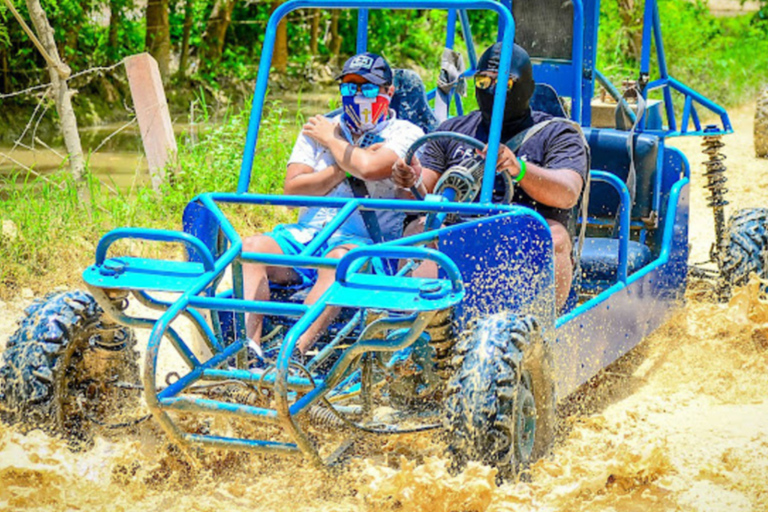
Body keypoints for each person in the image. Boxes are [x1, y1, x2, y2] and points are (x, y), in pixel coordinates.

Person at [242, 52, 424, 361]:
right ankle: (249, 349)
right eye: (349, 87)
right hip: (306, 236)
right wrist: (342, 166)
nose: (357, 95)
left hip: (364, 244)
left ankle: (291, 356)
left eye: (368, 88)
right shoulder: (319, 129)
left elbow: (368, 168)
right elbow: (294, 189)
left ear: (389, 92)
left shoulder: (404, 133)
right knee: (251, 247)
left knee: (337, 260)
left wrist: (334, 143)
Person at [392, 43, 588, 308]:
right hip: (458, 229)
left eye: (503, 82)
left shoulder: (557, 133)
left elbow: (567, 193)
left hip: (523, 235)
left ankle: (540, 331)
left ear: (526, 87)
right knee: (417, 230)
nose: (491, 89)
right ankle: (417, 322)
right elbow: (419, 193)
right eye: (483, 81)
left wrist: (518, 168)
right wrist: (410, 179)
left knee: (555, 237)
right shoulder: (453, 129)